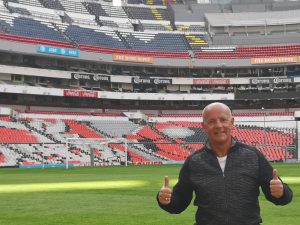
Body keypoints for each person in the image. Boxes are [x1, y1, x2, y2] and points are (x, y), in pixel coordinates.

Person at [157, 102, 293, 225]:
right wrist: (165, 200)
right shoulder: (194, 161)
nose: (218, 125)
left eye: (223, 120)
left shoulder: (252, 155)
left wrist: (281, 193)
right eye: (211, 121)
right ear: (204, 126)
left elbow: (282, 197)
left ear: (232, 122)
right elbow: (179, 204)